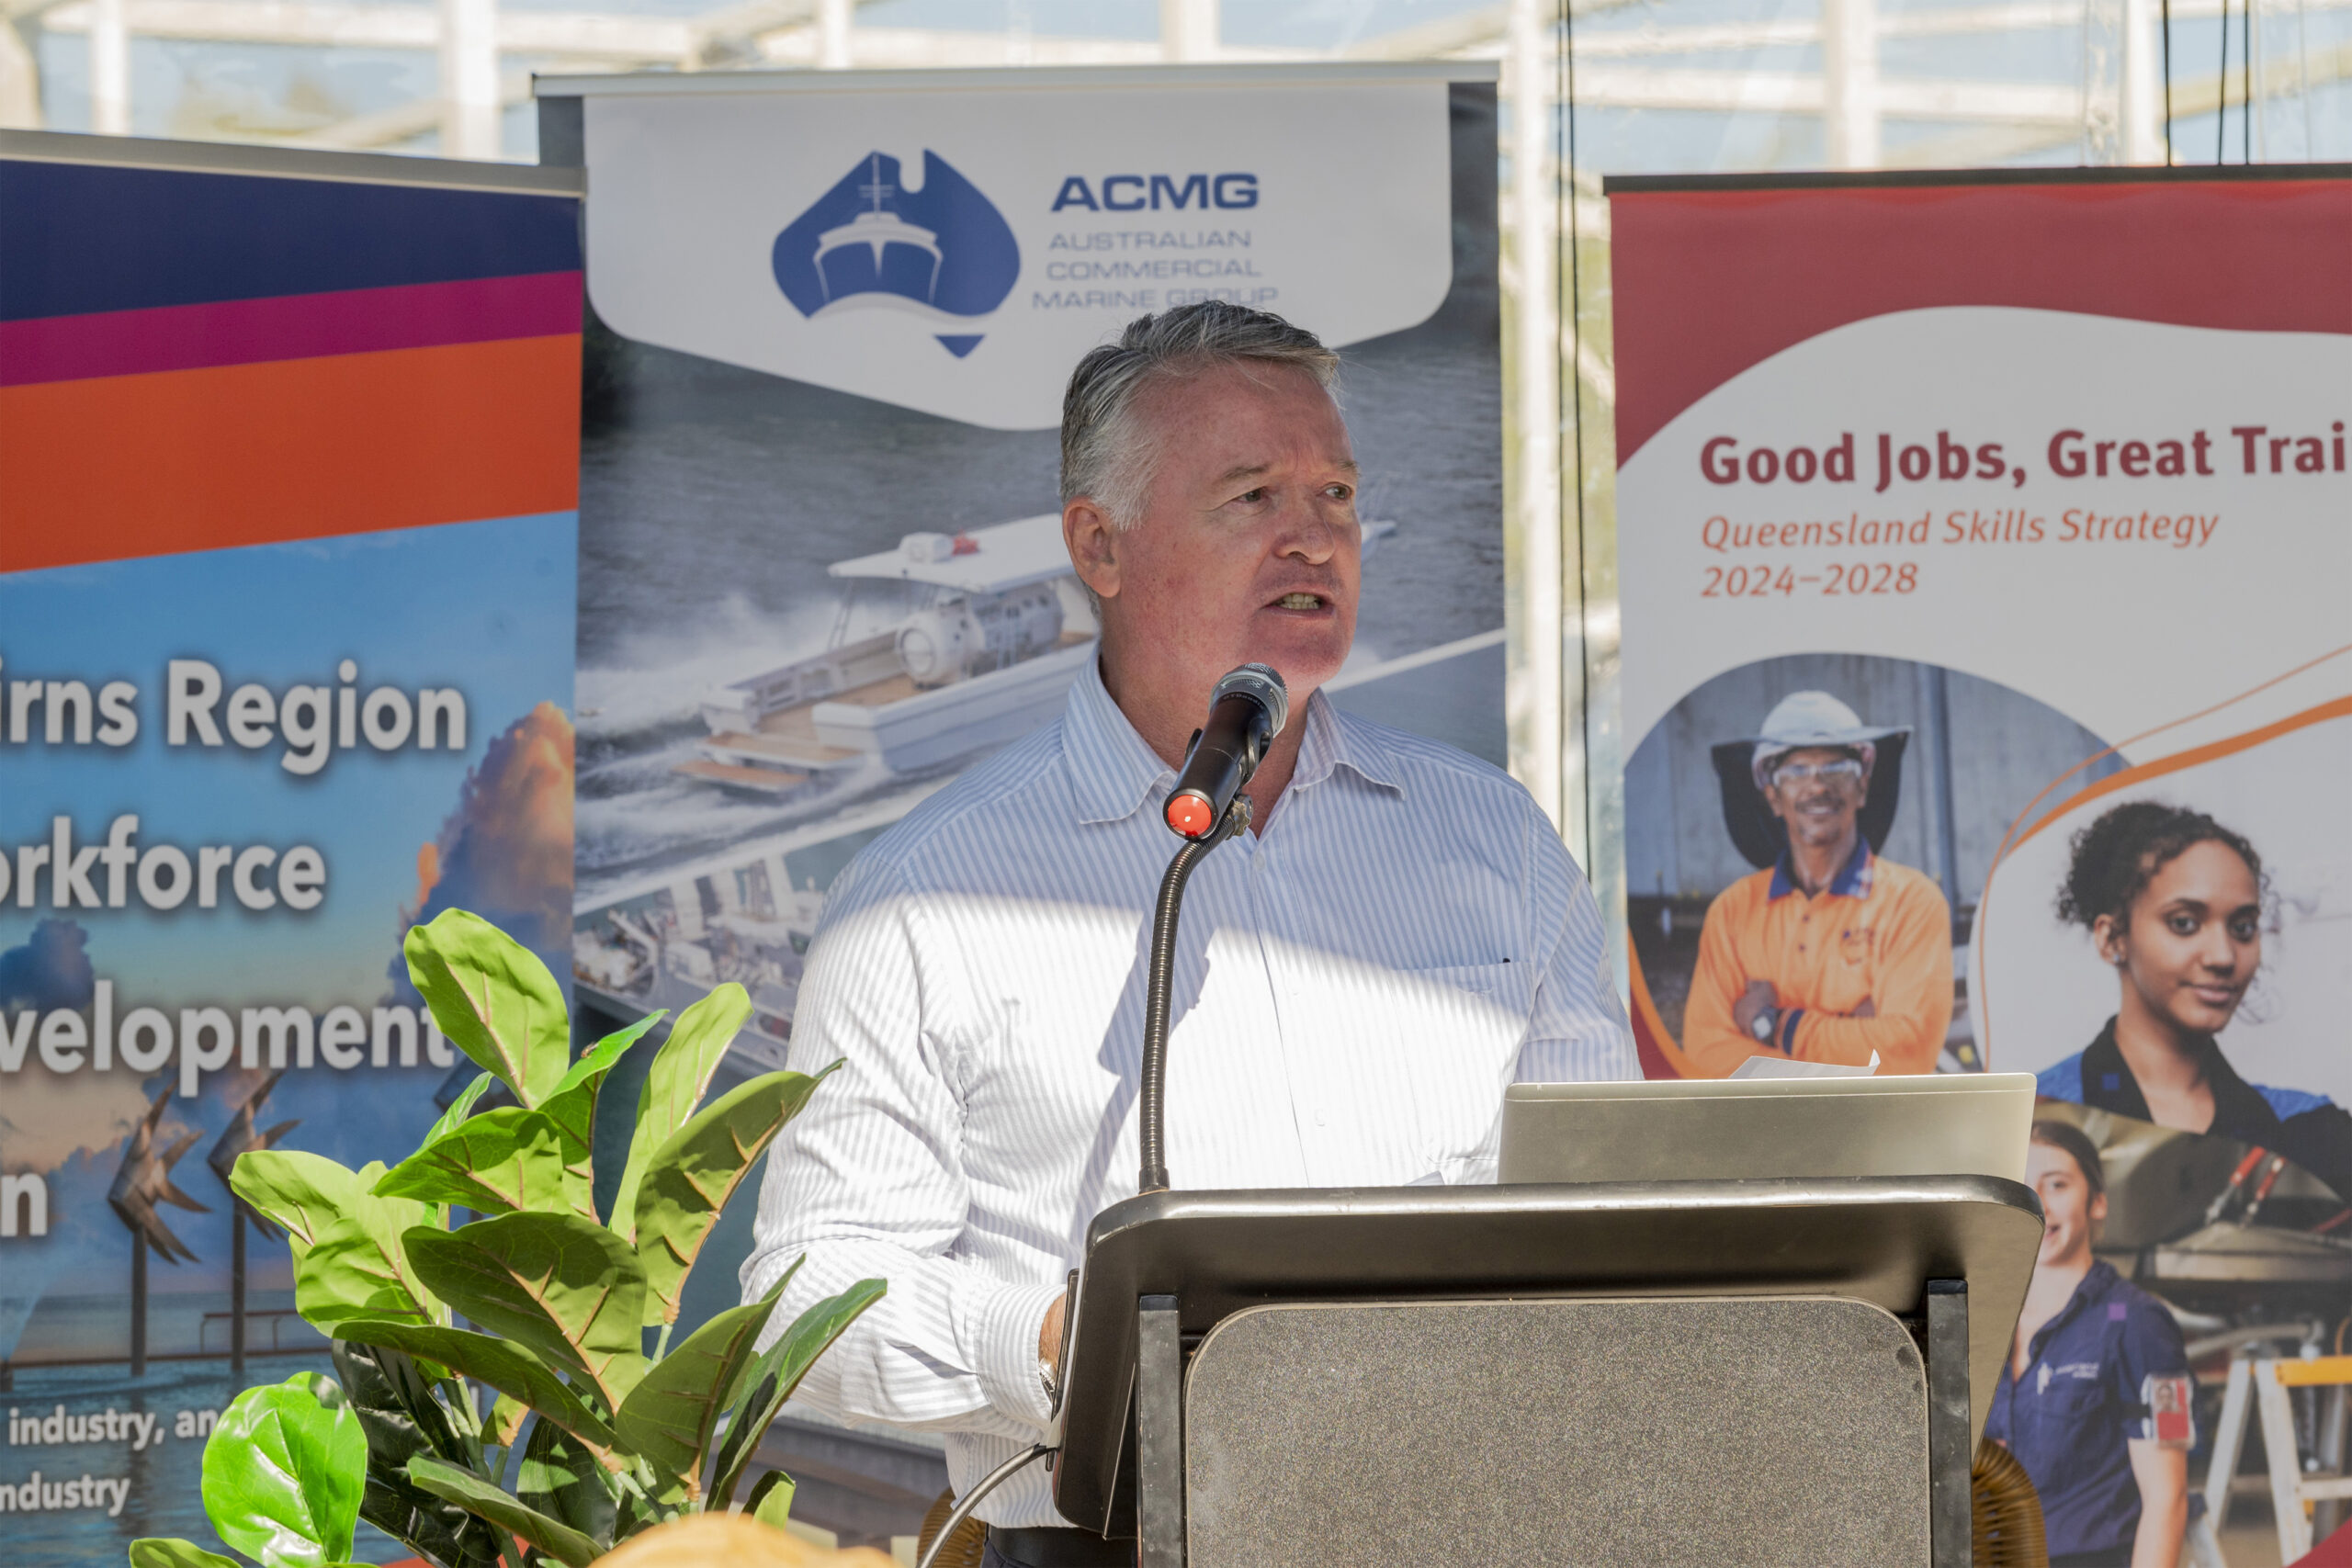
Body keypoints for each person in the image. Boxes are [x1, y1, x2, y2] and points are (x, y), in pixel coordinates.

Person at [739, 301, 1634, 1566]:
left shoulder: (1493, 841)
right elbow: (806, 1304)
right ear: (1099, 544)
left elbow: (1614, 1212)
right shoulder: (925, 899)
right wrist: (1053, 1340)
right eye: (1253, 493)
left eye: (1334, 491)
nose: (1313, 533)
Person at [2038, 800, 2352, 1201]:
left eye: (2242, 927)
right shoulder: (2031, 1120)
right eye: (2184, 923)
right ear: (2112, 938)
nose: (2223, 955)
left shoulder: (2310, 1131)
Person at [1679, 691, 1953, 1076]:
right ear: (1773, 797)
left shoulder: (1913, 902)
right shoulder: (1732, 911)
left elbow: (1906, 1050)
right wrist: (1852, 1042)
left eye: (1836, 768)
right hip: (1768, 1137)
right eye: (1796, 772)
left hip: (1878, 1134)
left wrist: (1775, 1025)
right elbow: (1707, 1054)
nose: (1817, 785)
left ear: (1862, 787)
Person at [1987, 1121, 2193, 1568]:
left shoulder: (2138, 1323)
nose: (2038, 1204)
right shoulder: (1983, 1319)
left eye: (2057, 1185)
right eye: (2024, 1188)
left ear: (2097, 1202)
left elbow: (2169, 1498)